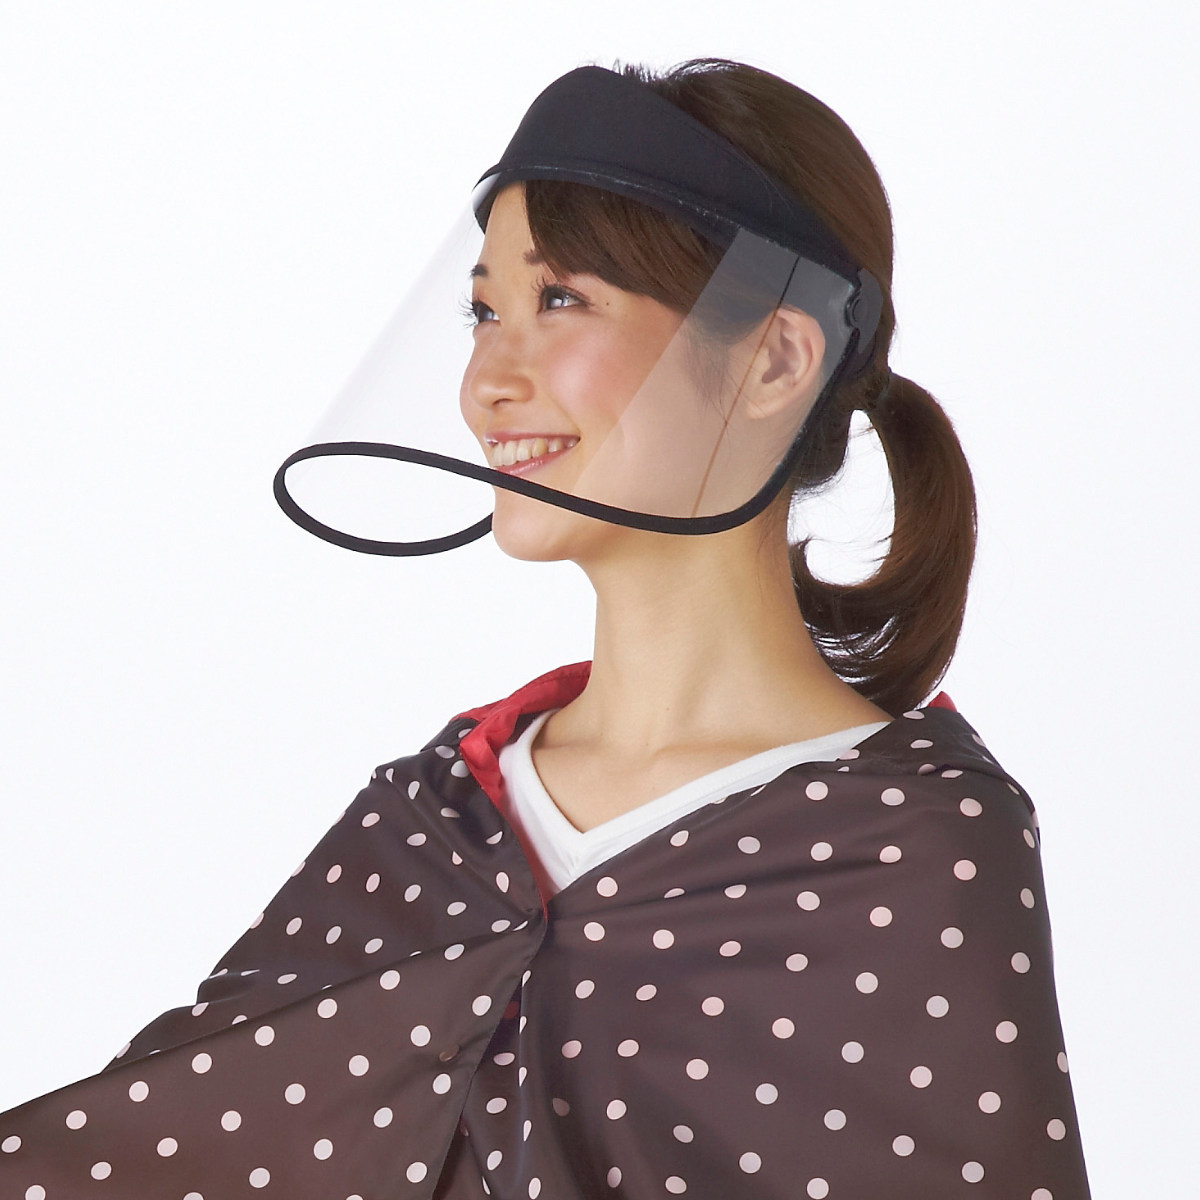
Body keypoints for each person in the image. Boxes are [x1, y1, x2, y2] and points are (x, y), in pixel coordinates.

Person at [0, 60, 1090, 1198]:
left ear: (775, 359)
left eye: (560, 300)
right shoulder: (435, 818)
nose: (485, 382)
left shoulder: (914, 844)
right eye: (483, 312)